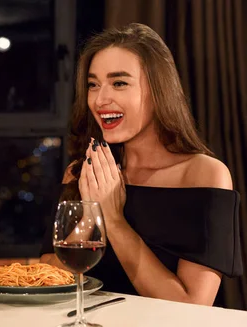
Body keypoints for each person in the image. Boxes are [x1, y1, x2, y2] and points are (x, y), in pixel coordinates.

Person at [40, 23, 243, 306]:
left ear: (158, 90)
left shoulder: (204, 175)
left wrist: (113, 220)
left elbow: (192, 308)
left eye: (119, 83)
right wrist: (91, 214)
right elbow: (47, 279)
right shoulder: (84, 171)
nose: (101, 99)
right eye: (93, 84)